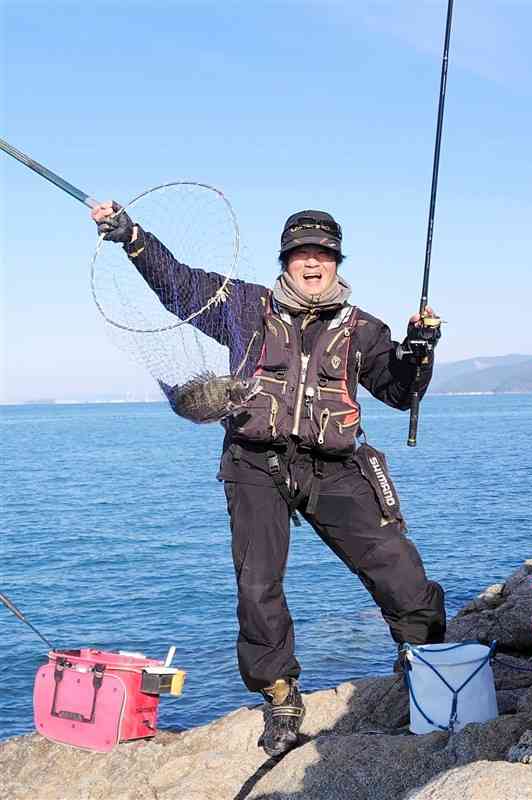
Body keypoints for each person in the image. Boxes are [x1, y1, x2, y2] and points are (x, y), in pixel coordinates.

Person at [92, 203, 446, 757]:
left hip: (331, 466)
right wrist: (132, 236)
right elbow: (179, 286)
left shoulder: (362, 329)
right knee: (257, 586)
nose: (313, 263)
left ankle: (423, 659)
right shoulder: (242, 306)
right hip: (254, 463)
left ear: (336, 263)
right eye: (303, 253)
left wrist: (418, 354)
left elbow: (400, 390)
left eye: (323, 254)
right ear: (286, 260)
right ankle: (279, 693)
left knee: (398, 568)